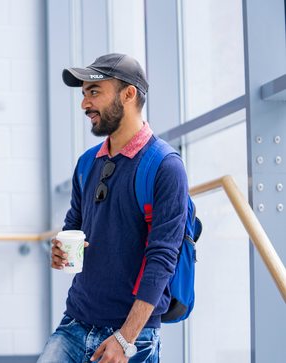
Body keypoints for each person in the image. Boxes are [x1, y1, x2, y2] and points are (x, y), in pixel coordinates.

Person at [38, 54, 189, 363]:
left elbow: (162, 259)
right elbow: (74, 224)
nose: (84, 104)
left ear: (128, 94)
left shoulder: (165, 166)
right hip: (74, 322)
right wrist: (62, 247)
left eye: (94, 91)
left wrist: (125, 338)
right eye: (83, 94)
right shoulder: (86, 162)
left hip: (131, 335)